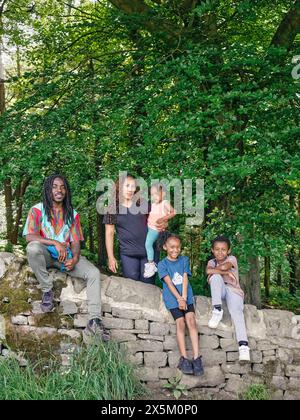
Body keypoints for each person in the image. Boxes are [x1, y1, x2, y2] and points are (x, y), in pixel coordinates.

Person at [23, 174, 110, 344]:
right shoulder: (37, 210)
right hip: (46, 256)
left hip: (65, 258)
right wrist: (55, 242)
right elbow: (29, 236)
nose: (59, 190)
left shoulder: (72, 214)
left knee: (93, 273)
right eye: (55, 186)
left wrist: (75, 258)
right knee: (32, 248)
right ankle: (47, 290)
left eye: (62, 187)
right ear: (48, 190)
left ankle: (94, 319)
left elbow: (76, 241)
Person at [103, 174, 167, 284]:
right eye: (127, 186)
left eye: (133, 186)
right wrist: (111, 257)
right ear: (119, 187)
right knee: (132, 287)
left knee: (148, 287)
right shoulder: (112, 208)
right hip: (128, 254)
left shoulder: (142, 203)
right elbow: (109, 233)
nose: (130, 189)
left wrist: (165, 223)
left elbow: (159, 216)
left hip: (149, 253)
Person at [157, 232, 204, 376]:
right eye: (172, 247)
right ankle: (184, 359)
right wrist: (178, 299)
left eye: (178, 247)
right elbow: (169, 283)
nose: (175, 250)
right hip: (172, 298)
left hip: (186, 295)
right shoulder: (162, 264)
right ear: (165, 247)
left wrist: (184, 297)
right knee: (180, 323)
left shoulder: (184, 260)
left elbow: (185, 279)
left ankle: (196, 359)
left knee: (191, 321)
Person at [206, 235, 250, 362]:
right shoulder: (211, 262)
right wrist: (225, 273)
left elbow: (224, 267)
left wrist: (218, 270)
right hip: (220, 290)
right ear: (212, 250)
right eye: (217, 249)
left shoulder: (232, 259)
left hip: (233, 291)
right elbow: (209, 271)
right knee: (215, 278)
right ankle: (217, 310)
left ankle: (243, 347)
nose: (220, 252)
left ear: (228, 250)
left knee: (237, 313)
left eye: (223, 249)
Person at [144, 183, 176, 278]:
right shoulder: (153, 204)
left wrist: (163, 219)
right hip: (150, 227)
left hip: (155, 229)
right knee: (150, 244)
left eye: (156, 193)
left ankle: (151, 264)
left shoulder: (164, 203)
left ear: (163, 193)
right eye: (152, 194)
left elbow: (174, 212)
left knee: (148, 244)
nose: (154, 196)